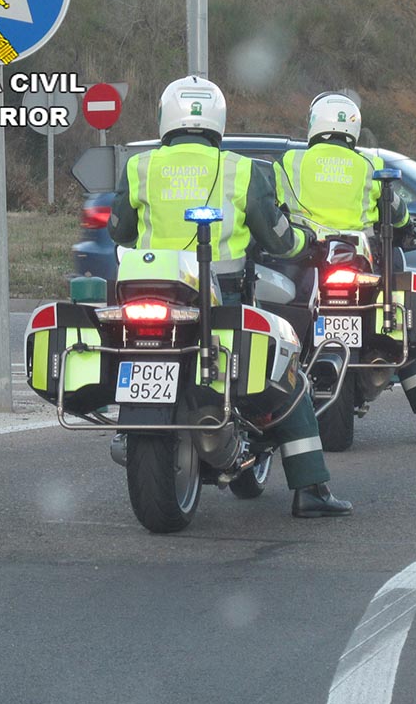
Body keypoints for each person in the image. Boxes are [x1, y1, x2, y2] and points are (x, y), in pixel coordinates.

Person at [108, 76, 351, 518]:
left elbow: (118, 230)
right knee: (288, 379)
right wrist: (305, 244)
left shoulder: (139, 167)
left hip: (145, 295)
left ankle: (131, 425)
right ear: (218, 120)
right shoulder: (243, 170)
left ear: (165, 117)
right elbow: (278, 240)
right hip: (223, 301)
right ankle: (311, 488)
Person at [276, 92, 416, 444]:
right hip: (360, 265)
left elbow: (273, 211)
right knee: (399, 336)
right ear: (353, 129)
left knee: (286, 333)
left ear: (313, 124)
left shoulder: (290, 162)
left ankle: (278, 416)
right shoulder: (368, 165)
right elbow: (397, 213)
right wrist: (407, 229)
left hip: (309, 265)